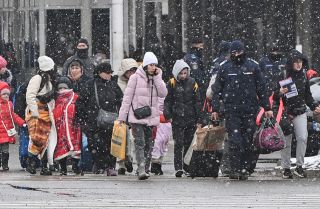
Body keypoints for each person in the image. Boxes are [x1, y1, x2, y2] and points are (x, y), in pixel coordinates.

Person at [211, 40, 273, 180]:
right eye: (234, 52)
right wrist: (215, 109)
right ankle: (235, 169)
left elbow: (261, 88)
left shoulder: (253, 66)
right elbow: (217, 90)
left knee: (247, 140)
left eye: (239, 52)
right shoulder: (225, 68)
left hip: (249, 109)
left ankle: (244, 168)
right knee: (235, 140)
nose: (237, 55)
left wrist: (267, 107)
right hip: (232, 110)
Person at [118, 52, 167, 180]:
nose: (153, 67)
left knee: (149, 144)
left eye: (155, 65)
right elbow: (127, 98)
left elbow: (163, 93)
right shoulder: (135, 78)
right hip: (137, 116)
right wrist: (122, 117)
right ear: (145, 65)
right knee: (140, 142)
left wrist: (157, 78)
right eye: (151, 64)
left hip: (151, 116)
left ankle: (146, 168)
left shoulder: (157, 78)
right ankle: (140, 168)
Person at [273, 49, 320, 179]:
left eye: (300, 62)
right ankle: (286, 168)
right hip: (286, 112)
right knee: (286, 141)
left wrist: (314, 106)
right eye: (296, 62)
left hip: (300, 111)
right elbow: (273, 95)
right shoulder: (283, 75)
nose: (298, 64)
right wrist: (280, 92)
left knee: (302, 138)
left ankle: (300, 166)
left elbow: (307, 95)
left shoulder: (303, 75)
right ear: (291, 63)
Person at [76, 62, 123, 176]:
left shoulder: (113, 85)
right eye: (107, 72)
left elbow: (120, 101)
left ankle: (110, 166)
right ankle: (99, 164)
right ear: (99, 72)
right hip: (93, 121)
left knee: (111, 144)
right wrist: (82, 119)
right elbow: (81, 103)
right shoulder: (90, 85)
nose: (109, 75)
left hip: (111, 121)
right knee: (95, 144)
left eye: (110, 72)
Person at [164, 59, 201, 177]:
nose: (183, 75)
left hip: (190, 117)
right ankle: (178, 167)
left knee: (189, 143)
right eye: (181, 73)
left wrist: (199, 118)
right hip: (177, 118)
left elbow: (197, 102)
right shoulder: (171, 83)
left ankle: (186, 166)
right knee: (178, 143)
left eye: (185, 73)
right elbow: (167, 101)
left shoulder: (193, 82)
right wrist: (168, 115)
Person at [25, 56, 57, 175]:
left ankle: (44, 166)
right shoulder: (37, 78)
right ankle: (31, 162)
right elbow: (30, 96)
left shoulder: (48, 79)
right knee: (37, 138)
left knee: (46, 140)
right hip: (37, 112)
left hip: (47, 112)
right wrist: (34, 113)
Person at [53, 77, 81, 175]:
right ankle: (63, 168)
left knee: (75, 148)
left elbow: (80, 110)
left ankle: (75, 165)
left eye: (64, 88)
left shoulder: (75, 97)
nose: (62, 90)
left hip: (73, 127)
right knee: (61, 149)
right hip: (60, 129)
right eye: (60, 88)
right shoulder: (55, 100)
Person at [116, 58, 138, 175]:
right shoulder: (118, 84)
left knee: (132, 140)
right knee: (121, 140)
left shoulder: (138, 82)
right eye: (129, 71)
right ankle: (121, 163)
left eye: (134, 70)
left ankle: (129, 159)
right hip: (122, 114)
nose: (131, 73)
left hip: (134, 115)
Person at [0, 81, 25, 171]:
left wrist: (22, 122)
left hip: (6, 132)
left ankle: (5, 164)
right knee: (2, 150)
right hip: (2, 130)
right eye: (4, 94)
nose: (6, 96)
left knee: (5, 150)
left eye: (7, 94)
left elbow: (14, 116)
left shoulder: (9, 104)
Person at [184, 38, 208, 104]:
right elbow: (196, 74)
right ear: (195, 45)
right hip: (195, 90)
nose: (202, 48)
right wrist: (203, 84)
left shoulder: (194, 56)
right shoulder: (193, 58)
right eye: (200, 46)